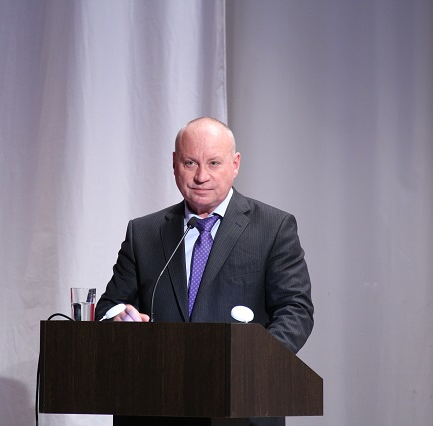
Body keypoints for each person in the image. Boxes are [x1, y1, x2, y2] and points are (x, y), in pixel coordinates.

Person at [95, 117, 313, 426]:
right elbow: (109, 307)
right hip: (154, 405)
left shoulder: (273, 227)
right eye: (190, 163)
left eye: (213, 163)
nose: (201, 176)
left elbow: (296, 311)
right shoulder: (143, 233)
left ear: (235, 164)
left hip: (241, 406)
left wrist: (253, 362)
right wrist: (118, 318)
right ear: (174, 164)